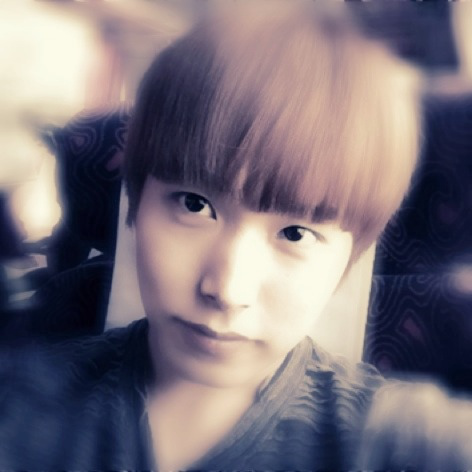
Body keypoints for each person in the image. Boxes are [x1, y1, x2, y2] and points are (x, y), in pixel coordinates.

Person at [2, 2, 459, 470]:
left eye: (296, 233)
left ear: (348, 258)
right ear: (137, 204)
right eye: (194, 205)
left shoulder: (393, 437)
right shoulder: (23, 402)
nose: (227, 290)